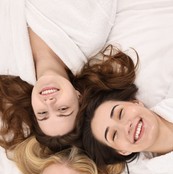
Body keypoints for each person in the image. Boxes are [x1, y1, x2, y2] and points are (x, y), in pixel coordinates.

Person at [0, 0, 138, 152]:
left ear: (33, 109)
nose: (50, 103)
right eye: (63, 109)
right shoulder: (90, 33)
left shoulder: (5, 60)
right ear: (79, 97)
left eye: (43, 113)